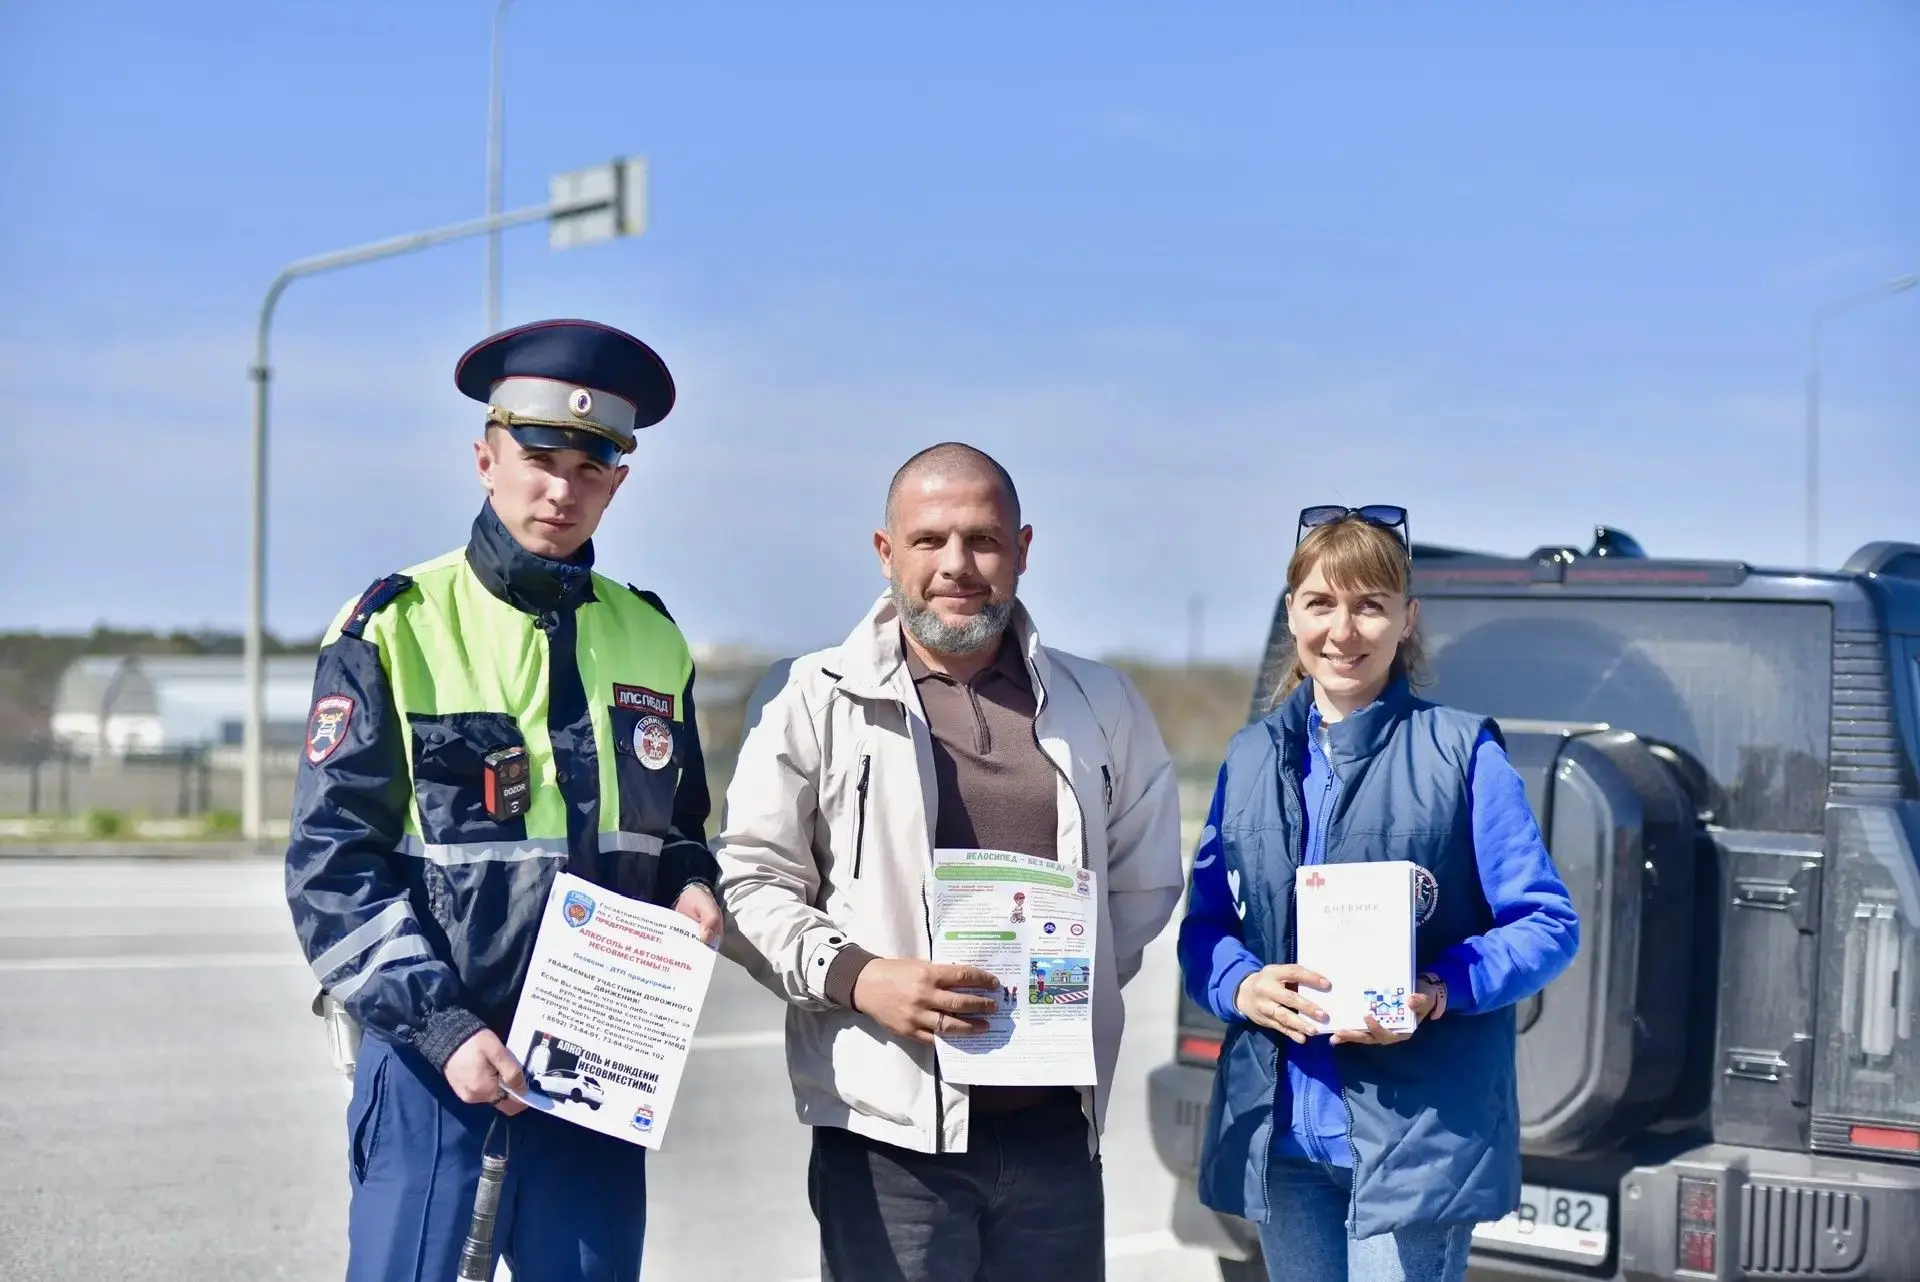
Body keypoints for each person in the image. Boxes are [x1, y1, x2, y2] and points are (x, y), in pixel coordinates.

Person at [284, 318, 723, 1282]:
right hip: (435, 1070)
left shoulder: (655, 639)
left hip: (596, 1079)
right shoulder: (392, 627)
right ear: (486, 458)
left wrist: (695, 886)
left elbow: (681, 830)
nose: (561, 488)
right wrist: (446, 1031)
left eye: (591, 465)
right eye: (538, 456)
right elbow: (333, 870)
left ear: (620, 479)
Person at [715, 442, 1185, 1282]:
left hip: (1054, 1133)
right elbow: (750, 881)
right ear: (885, 551)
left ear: (1024, 548)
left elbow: (1142, 883)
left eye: (984, 540)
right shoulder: (813, 699)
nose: (957, 566)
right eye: (930, 540)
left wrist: (1057, 991)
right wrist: (859, 977)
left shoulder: (1100, 703)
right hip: (886, 1140)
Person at [1177, 506, 1580, 1282]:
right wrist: (1243, 984)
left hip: (1410, 1139)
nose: (1344, 630)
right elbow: (1205, 928)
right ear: (1292, 611)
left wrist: (1437, 989)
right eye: (1322, 603)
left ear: (1406, 619)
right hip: (1282, 1135)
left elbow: (1546, 924)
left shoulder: (1462, 751)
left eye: (1370, 605)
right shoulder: (1250, 757)